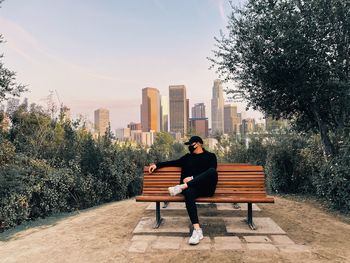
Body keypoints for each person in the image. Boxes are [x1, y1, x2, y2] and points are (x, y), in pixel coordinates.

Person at [148, 135, 218, 245]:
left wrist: (192, 178)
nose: (190, 146)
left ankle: (181, 187)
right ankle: (197, 230)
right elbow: (172, 162)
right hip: (191, 189)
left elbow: (212, 172)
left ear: (198, 143)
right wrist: (157, 165)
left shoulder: (211, 156)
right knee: (189, 193)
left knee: (212, 172)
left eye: (191, 144)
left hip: (206, 188)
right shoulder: (187, 157)